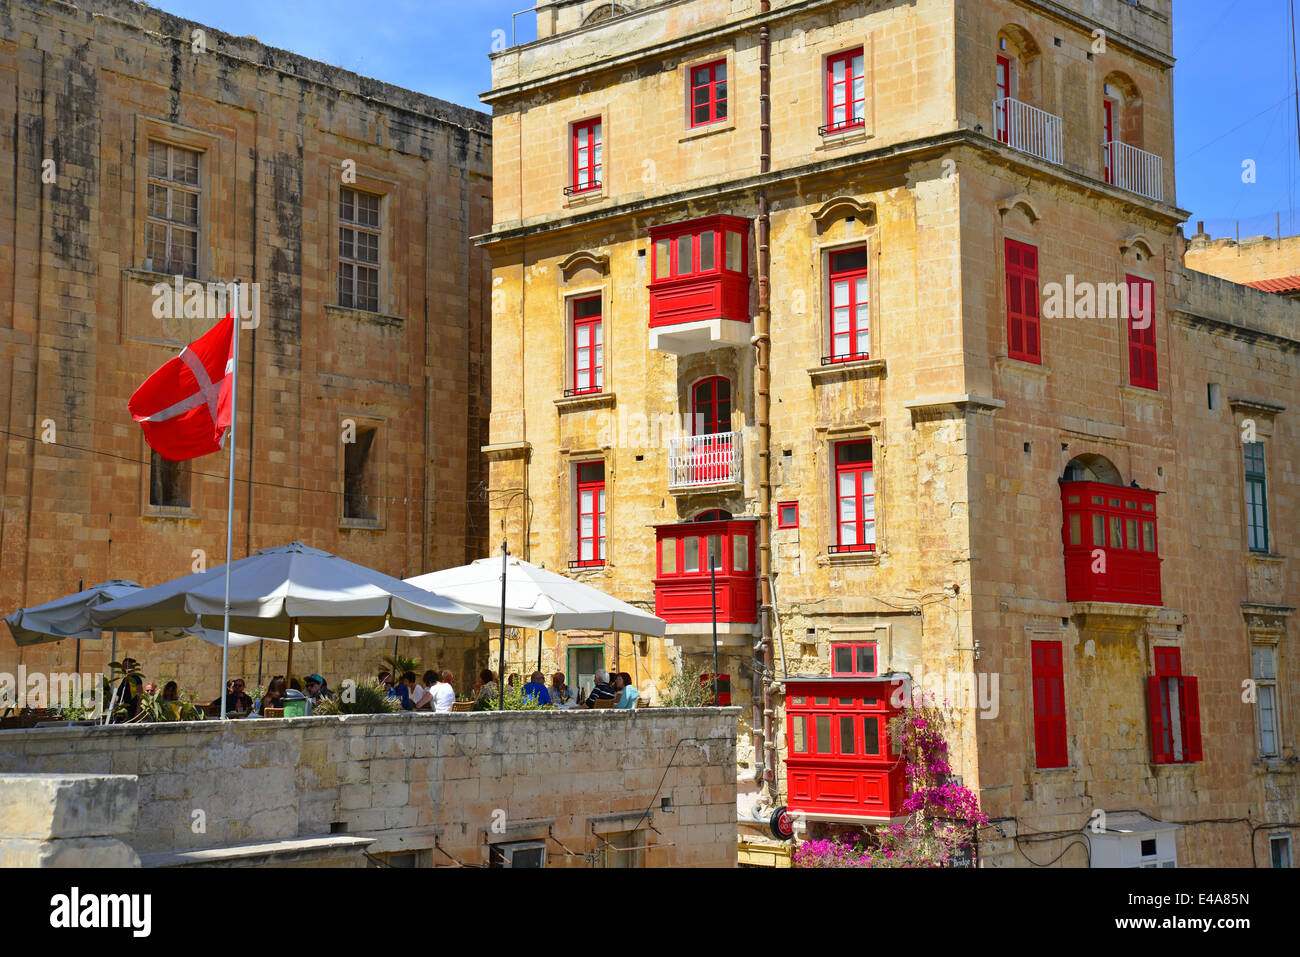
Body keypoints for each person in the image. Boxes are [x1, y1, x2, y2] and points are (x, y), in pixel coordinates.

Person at [111, 658, 143, 723]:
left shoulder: (135, 679)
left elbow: (140, 697)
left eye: (128, 666)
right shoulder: (125, 680)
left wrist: (137, 713)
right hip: (122, 712)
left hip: (131, 711)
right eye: (124, 666)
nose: (125, 668)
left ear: (133, 667)